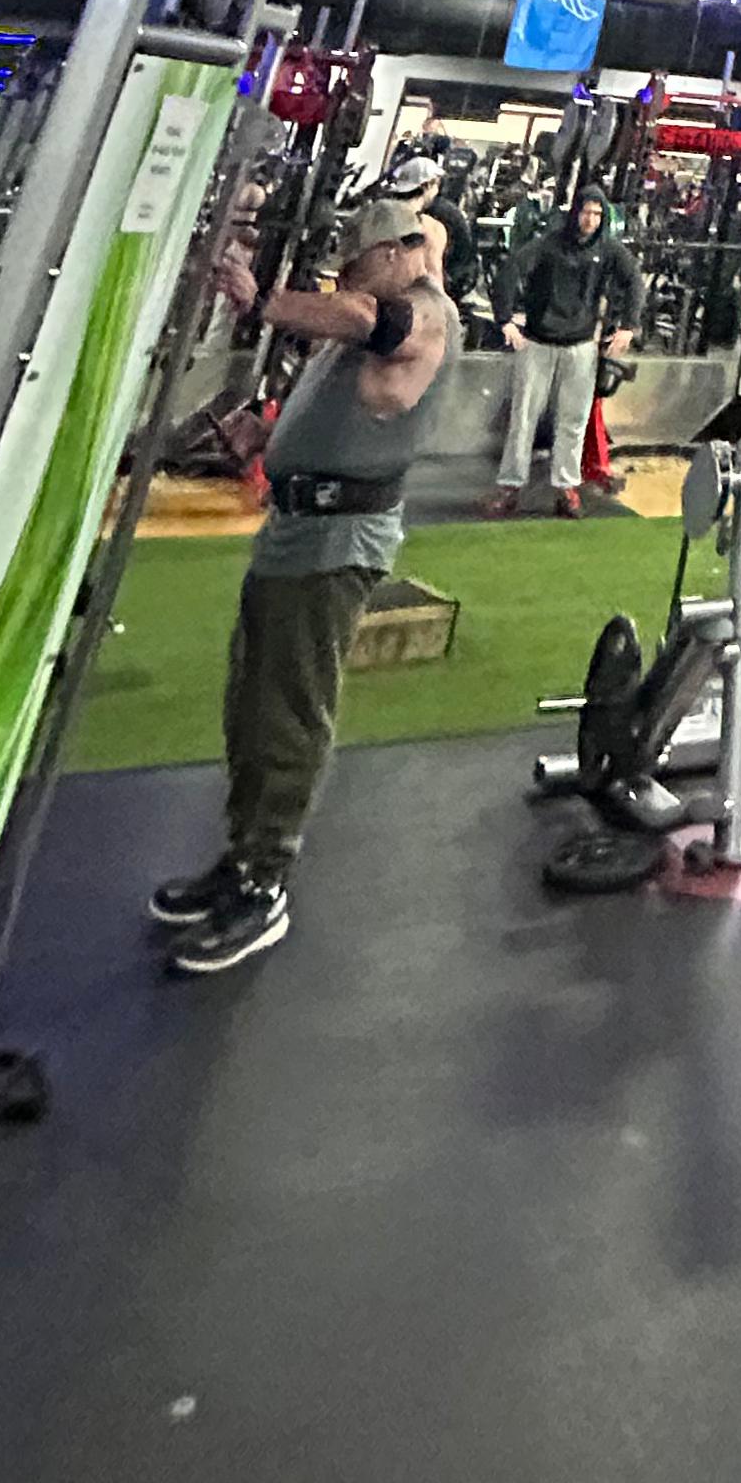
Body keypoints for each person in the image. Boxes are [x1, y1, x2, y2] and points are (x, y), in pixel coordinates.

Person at [149, 194, 454, 976]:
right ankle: (241, 854)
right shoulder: (367, 317)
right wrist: (271, 434)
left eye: (356, 270)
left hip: (336, 542)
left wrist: (262, 301)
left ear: (393, 253)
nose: (348, 285)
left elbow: (364, 323)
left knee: (289, 712)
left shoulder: (423, 312)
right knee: (250, 700)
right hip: (292, 534)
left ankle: (265, 883)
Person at [486, 187, 639, 515]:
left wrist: (629, 326)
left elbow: (634, 281)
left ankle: (566, 486)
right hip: (539, 343)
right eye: (587, 212)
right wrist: (504, 320)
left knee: (574, 421)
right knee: (523, 419)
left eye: (598, 214)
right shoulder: (549, 245)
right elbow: (509, 271)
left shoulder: (608, 250)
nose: (591, 219)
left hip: (580, 346)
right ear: (576, 212)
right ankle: (510, 485)